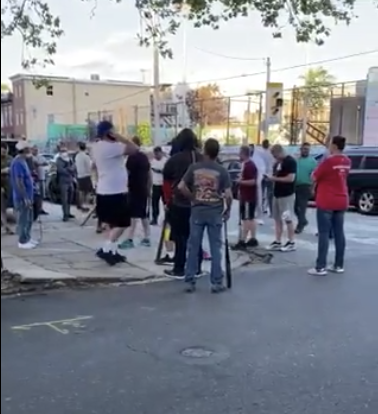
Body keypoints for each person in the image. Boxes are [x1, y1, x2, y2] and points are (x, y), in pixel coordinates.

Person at [178, 138, 233, 293]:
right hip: (215, 212)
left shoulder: (194, 168)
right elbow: (228, 195)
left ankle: (190, 280)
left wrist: (192, 198)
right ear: (217, 153)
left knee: (193, 246)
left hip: (197, 211)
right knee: (216, 247)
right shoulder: (221, 171)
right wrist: (228, 210)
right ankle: (216, 282)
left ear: (205, 151)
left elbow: (181, 186)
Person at [91, 120, 138, 265]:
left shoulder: (96, 147)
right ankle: (106, 249)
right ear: (108, 133)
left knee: (111, 224)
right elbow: (134, 148)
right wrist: (120, 137)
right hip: (115, 192)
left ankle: (112, 250)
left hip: (104, 190)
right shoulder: (112, 147)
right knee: (123, 223)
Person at [163, 128, 203, 278]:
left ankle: (179, 267)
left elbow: (166, 183)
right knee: (196, 236)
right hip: (200, 203)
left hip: (180, 203)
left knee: (180, 237)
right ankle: (197, 267)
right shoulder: (202, 158)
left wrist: (167, 201)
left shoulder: (174, 160)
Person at [308, 136, 351, 276]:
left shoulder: (328, 161)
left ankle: (320, 266)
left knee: (324, 233)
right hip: (342, 199)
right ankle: (339, 264)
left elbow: (314, 176)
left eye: (330, 144)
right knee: (339, 233)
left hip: (327, 200)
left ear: (334, 146)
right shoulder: (347, 161)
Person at [118, 136, 151, 248]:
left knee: (133, 215)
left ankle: (130, 239)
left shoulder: (132, 158)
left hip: (134, 189)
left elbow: (126, 174)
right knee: (143, 214)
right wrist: (149, 188)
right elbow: (149, 174)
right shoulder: (144, 157)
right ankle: (147, 237)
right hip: (143, 189)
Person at [266, 144, 297, 252]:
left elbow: (290, 178)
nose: (274, 157)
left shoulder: (290, 161)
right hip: (277, 194)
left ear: (279, 152)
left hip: (286, 195)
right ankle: (278, 241)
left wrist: (274, 178)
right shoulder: (278, 163)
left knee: (287, 218)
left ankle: (291, 241)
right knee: (277, 218)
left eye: (275, 155)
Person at [9, 141, 36, 249]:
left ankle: (27, 238)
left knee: (29, 218)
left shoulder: (23, 161)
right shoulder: (17, 163)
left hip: (29, 195)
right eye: (28, 149)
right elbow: (19, 181)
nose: (30, 151)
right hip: (22, 197)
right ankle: (22, 241)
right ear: (24, 150)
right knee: (23, 219)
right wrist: (25, 197)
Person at [233, 145, 258, 249]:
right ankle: (252, 238)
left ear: (244, 153)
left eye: (240, 153)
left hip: (248, 196)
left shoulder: (249, 166)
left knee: (246, 218)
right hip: (246, 195)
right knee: (250, 217)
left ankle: (243, 239)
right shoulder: (245, 164)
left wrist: (240, 182)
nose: (239, 155)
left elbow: (253, 181)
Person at [294, 142, 317, 233]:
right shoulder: (297, 160)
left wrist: (313, 188)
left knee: (302, 206)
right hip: (295, 185)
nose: (304, 151)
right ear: (300, 150)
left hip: (306, 186)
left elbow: (315, 177)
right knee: (294, 207)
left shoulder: (313, 162)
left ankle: (300, 225)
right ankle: (303, 220)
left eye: (307, 149)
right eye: (303, 149)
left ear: (309, 150)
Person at [56, 145, 76, 221]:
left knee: (70, 198)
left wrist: (69, 169)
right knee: (64, 198)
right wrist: (69, 171)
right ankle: (65, 214)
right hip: (63, 181)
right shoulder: (59, 160)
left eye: (65, 151)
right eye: (62, 151)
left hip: (70, 180)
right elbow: (61, 170)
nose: (64, 153)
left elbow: (74, 166)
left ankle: (68, 212)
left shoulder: (69, 159)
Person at [249, 144, 266, 225]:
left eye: (251, 149)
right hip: (248, 183)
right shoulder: (247, 158)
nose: (250, 150)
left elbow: (261, 169)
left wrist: (258, 180)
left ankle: (260, 217)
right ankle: (250, 216)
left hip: (257, 181)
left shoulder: (258, 159)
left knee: (258, 200)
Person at [150, 146, 167, 225]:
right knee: (154, 203)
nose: (156, 155)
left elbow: (167, 172)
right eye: (155, 154)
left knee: (165, 202)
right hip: (155, 184)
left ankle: (167, 218)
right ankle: (154, 218)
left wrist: (160, 171)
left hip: (163, 185)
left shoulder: (165, 161)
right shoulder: (153, 161)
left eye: (157, 154)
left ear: (161, 153)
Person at [75, 142, 92, 212]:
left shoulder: (77, 156)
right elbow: (89, 166)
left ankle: (81, 205)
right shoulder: (86, 156)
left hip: (79, 176)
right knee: (87, 192)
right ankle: (85, 205)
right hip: (86, 175)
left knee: (81, 191)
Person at [1, 142, 14, 234]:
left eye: (5, 150)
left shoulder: (10, 159)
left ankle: (6, 226)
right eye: (2, 151)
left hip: (9, 186)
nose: (4, 152)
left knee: (5, 208)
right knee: (2, 208)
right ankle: (6, 227)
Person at [260, 139, 275, 215]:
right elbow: (273, 163)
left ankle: (263, 208)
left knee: (262, 192)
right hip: (270, 175)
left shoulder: (260, 153)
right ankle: (270, 210)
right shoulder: (271, 153)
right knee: (270, 193)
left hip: (262, 175)